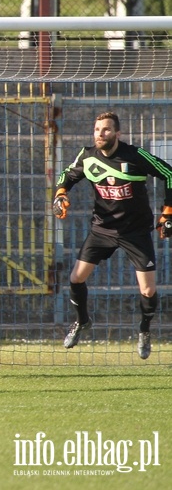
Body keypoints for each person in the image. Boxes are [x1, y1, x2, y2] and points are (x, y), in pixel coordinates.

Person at [53, 111, 172, 359]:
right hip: (102, 229)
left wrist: (167, 212)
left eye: (106, 130)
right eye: (97, 130)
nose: (100, 134)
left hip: (135, 232)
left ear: (118, 133)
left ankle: (144, 331)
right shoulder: (87, 157)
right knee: (76, 278)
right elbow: (66, 176)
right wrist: (60, 194)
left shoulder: (135, 155)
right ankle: (82, 321)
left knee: (148, 291)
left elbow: (169, 174)